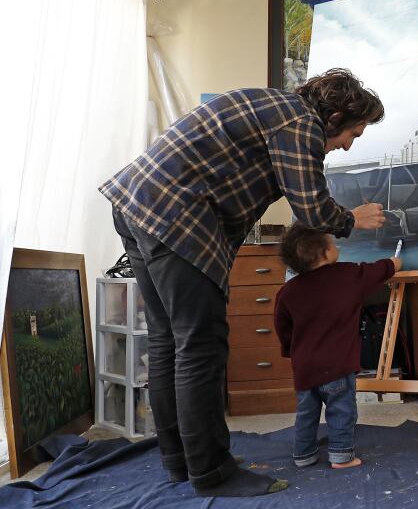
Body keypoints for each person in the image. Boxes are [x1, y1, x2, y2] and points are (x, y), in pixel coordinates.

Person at [99, 69, 386, 498]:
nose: (347, 144)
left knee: (169, 341)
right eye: (353, 134)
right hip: (176, 214)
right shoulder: (300, 121)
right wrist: (353, 219)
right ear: (337, 115)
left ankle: (181, 462)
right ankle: (213, 472)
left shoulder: (275, 108)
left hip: (137, 202)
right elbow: (312, 208)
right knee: (200, 345)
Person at [273, 223, 402, 469]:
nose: (336, 246)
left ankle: (303, 455)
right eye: (332, 244)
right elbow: (376, 271)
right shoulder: (347, 275)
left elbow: (283, 328)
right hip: (338, 366)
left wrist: (290, 351)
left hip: (305, 367)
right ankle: (341, 456)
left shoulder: (288, 291)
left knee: (306, 414)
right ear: (325, 254)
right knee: (341, 411)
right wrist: (394, 264)